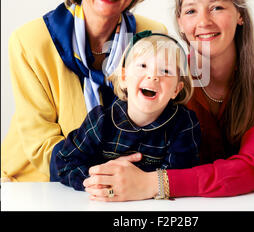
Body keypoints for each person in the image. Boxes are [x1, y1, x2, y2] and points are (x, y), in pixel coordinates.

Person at [82, 0, 254, 201]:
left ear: (240, 14)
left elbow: (253, 170)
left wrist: (155, 182)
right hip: (188, 204)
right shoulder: (164, 81)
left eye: (217, 7)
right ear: (180, 23)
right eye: (190, 11)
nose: (204, 22)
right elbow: (119, 138)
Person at [1, 0, 167, 182]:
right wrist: (101, 171)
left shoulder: (153, 36)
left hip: (122, 184)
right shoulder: (30, 42)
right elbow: (39, 143)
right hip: (37, 183)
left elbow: (161, 125)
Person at [53, 31, 200, 192]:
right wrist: (99, 180)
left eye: (166, 71)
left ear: (176, 90)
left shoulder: (183, 123)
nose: (153, 76)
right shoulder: (101, 120)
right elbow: (67, 163)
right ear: (123, 78)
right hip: (104, 200)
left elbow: (179, 176)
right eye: (143, 66)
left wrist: (140, 184)